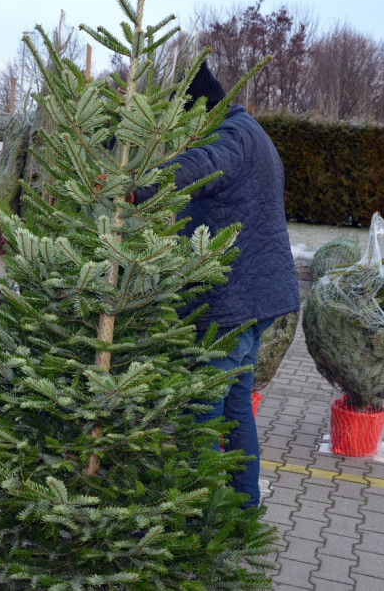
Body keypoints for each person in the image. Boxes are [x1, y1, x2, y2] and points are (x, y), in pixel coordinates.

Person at [133, 62, 299, 509]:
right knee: (235, 405)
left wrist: (133, 189)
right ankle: (243, 508)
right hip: (256, 295)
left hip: (234, 298)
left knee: (202, 412)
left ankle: (203, 520)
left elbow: (197, 166)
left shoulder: (230, 137)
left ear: (200, 110)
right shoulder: (251, 132)